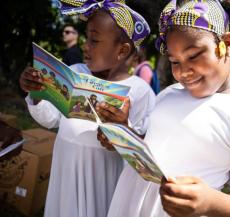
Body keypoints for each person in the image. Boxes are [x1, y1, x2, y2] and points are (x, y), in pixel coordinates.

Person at [100, 0, 230, 216]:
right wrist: (122, 132)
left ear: (227, 45)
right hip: (126, 206)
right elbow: (150, 145)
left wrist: (210, 201)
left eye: (193, 56)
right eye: (175, 61)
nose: (184, 72)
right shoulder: (168, 94)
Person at [18, 0, 155, 217]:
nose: (85, 46)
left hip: (101, 178)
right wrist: (35, 94)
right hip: (65, 171)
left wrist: (121, 131)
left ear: (122, 50)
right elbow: (51, 119)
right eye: (86, 38)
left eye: (94, 40)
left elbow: (141, 147)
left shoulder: (139, 91)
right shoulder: (74, 72)